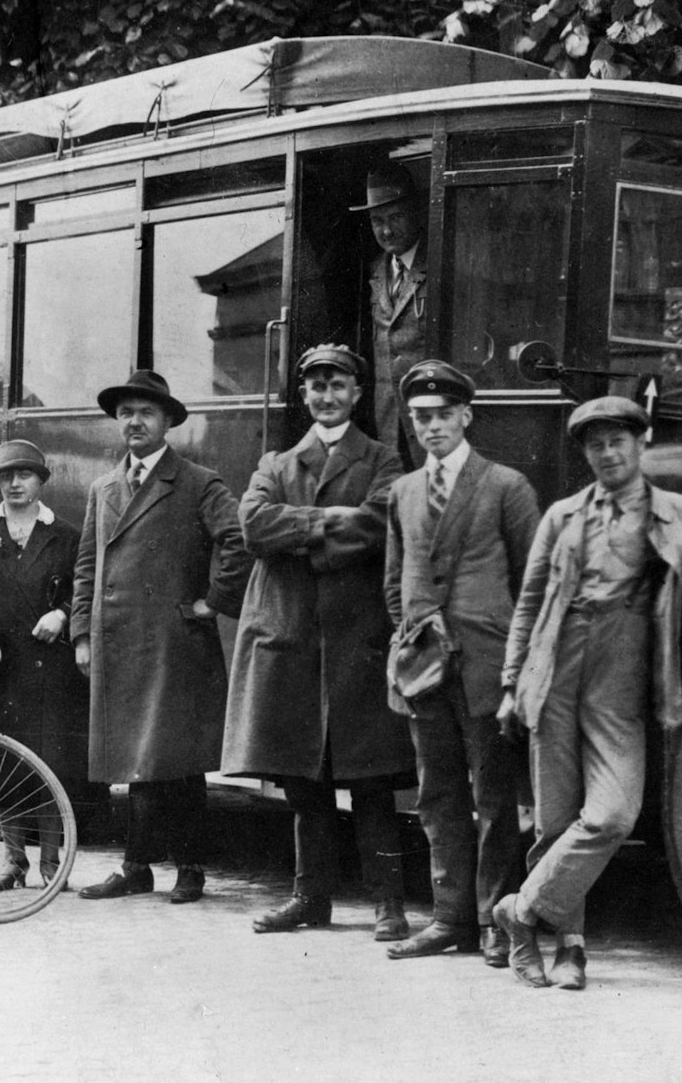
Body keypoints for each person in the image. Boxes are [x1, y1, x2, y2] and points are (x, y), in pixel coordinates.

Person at [494, 396, 682, 990]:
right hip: (554, 667)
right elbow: (529, 602)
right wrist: (512, 681)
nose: (608, 452)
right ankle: (568, 949)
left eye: (618, 440)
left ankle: (518, 912)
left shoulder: (679, 512)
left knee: (613, 814)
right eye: (596, 444)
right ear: (586, 454)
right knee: (555, 822)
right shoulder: (561, 516)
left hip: (622, 670)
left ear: (641, 445)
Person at [225, 345, 416, 940]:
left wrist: (301, 530)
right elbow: (254, 526)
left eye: (337, 385)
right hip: (295, 640)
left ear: (357, 393)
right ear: (304, 395)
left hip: (358, 639)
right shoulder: (277, 462)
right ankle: (311, 898)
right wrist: (330, 523)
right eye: (316, 387)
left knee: (372, 781)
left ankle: (389, 904)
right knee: (303, 784)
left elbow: (381, 523)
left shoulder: (384, 461)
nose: (326, 396)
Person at [71, 370, 252, 904]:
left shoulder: (197, 480)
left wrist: (212, 603)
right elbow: (88, 564)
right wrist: (83, 632)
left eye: (146, 413)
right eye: (126, 413)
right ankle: (137, 868)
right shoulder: (103, 487)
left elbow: (238, 540)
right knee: (136, 760)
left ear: (167, 421)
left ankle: (190, 868)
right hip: (117, 641)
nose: (134, 422)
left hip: (173, 642)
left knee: (177, 762)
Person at [383, 360, 539, 966]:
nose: (432, 427)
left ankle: (494, 919)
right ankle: (450, 918)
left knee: (495, 795)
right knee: (436, 793)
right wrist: (411, 637)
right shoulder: (402, 492)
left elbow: (532, 579)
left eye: (444, 415)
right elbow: (395, 584)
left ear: (466, 416)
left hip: (486, 664)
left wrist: (515, 663)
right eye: (421, 417)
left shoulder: (506, 486)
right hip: (426, 667)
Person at [0, 439, 92, 889]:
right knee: (4, 767)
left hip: (51, 671)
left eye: (24, 475)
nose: (14, 483)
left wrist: (62, 613)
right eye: (6, 476)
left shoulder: (65, 534)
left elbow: (84, 589)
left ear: (41, 481)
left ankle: (51, 864)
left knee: (51, 764)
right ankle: (13, 861)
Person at [357, 160, 428, 461]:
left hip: (431, 422)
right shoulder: (374, 271)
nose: (385, 230)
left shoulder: (439, 261)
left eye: (396, 217)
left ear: (416, 213)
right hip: (388, 426)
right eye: (377, 220)